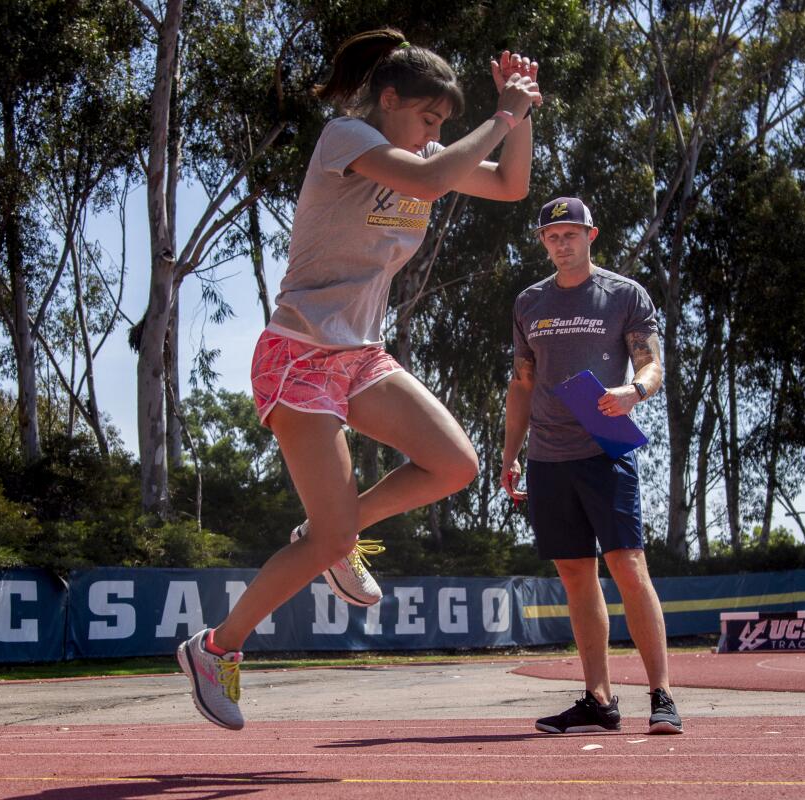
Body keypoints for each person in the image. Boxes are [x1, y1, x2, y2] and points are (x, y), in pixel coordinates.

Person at [177, 28, 541, 731]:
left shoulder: (428, 152)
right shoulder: (345, 138)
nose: (435, 133)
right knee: (327, 541)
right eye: (427, 118)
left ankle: (335, 534)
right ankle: (217, 648)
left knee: (454, 464)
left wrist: (518, 116)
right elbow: (432, 181)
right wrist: (499, 118)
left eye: (443, 124)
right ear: (389, 98)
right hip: (300, 354)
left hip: (361, 354)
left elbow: (510, 184)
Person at [501, 197, 683, 735]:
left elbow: (652, 364)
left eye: (570, 233)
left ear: (591, 234)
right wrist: (509, 453)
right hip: (547, 458)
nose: (562, 243)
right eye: (552, 235)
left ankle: (662, 695)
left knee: (628, 567)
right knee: (576, 574)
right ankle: (599, 701)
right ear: (543, 242)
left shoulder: (624, 294)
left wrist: (633, 391)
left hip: (606, 449)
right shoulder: (529, 303)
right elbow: (522, 383)